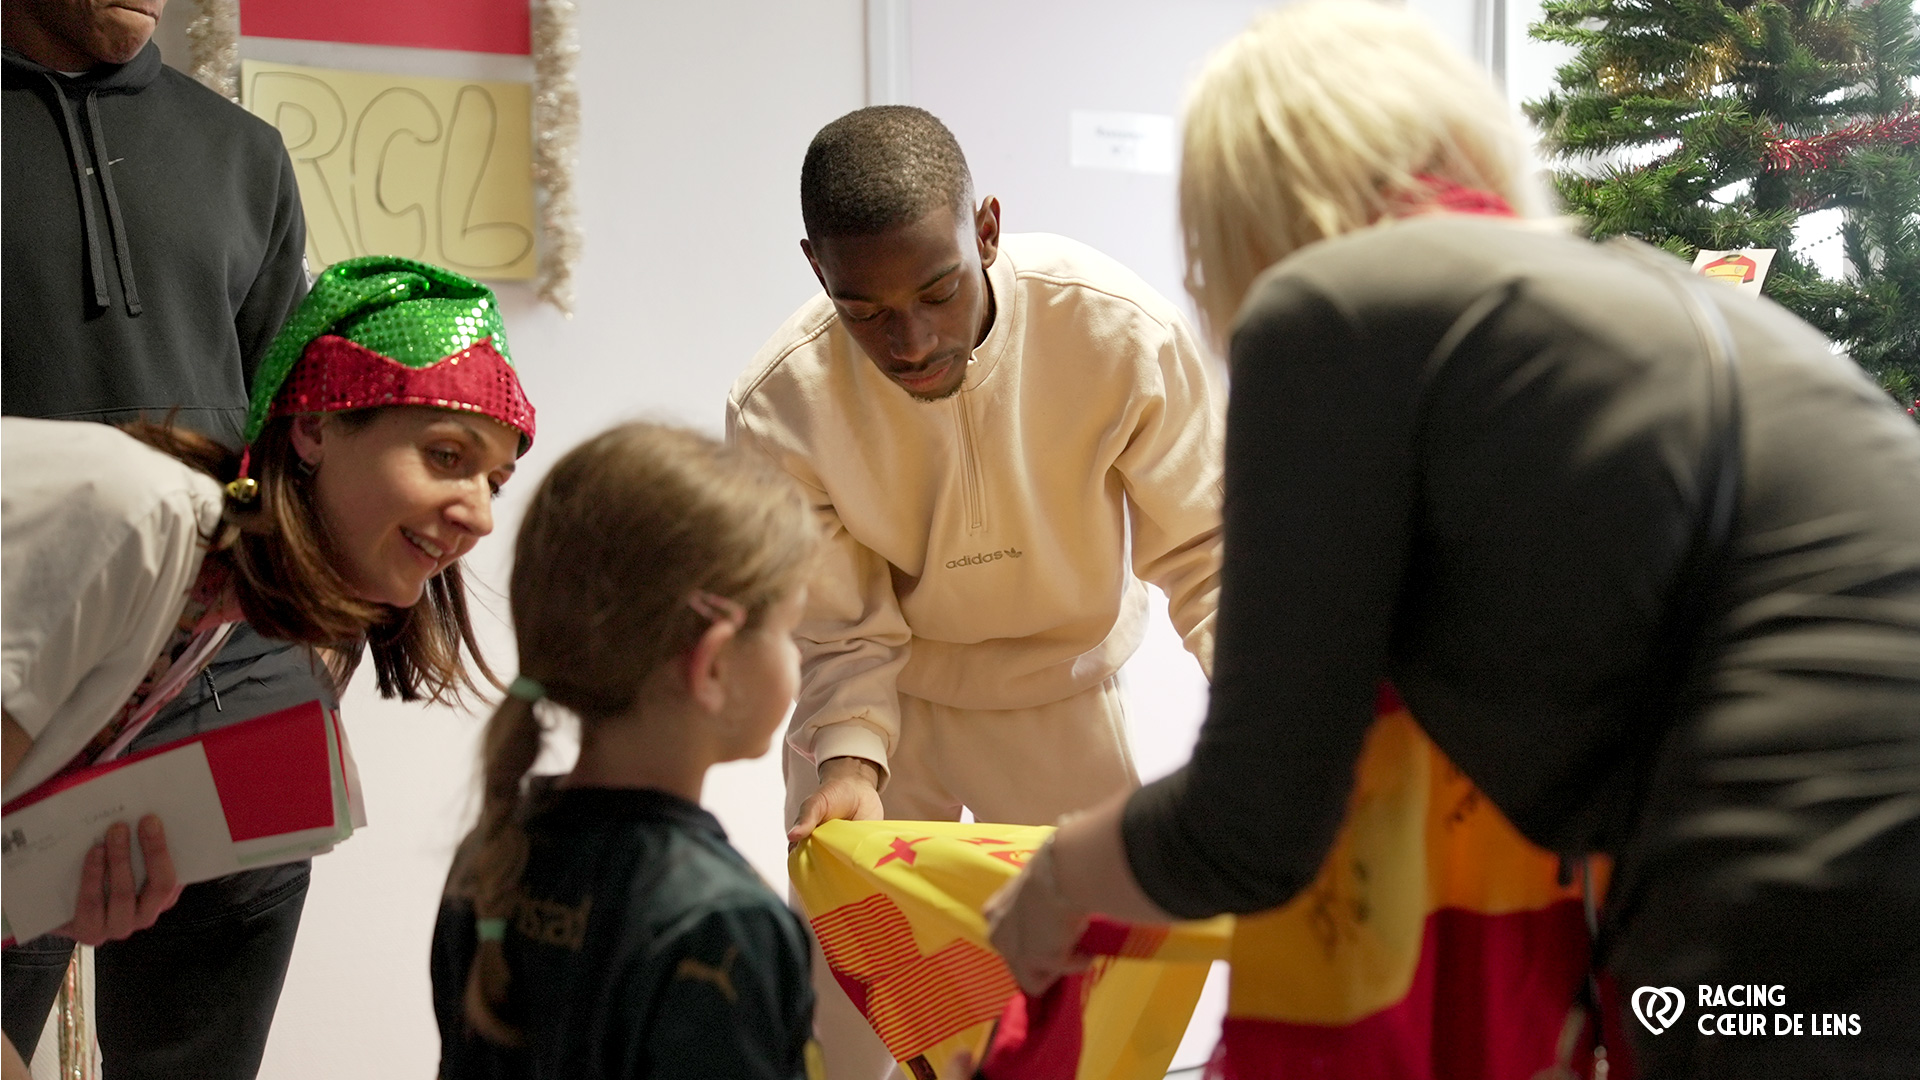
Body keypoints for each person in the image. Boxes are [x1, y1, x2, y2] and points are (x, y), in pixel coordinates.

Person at [984, 3, 1920, 1078]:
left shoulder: (1331, 307)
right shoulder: (1648, 300)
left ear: (1244, 213)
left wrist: (1060, 881)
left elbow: (1254, 825)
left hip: (1788, 907)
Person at [726, 105, 1225, 1076]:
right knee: (853, 1029)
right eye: (863, 310)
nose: (909, 340)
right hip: (879, 718)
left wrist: (1276, 733)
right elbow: (839, 631)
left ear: (987, 229)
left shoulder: (1116, 330)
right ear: (815, 268)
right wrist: (852, 767)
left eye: (939, 291)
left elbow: (1207, 555)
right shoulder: (781, 401)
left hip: (1059, 697)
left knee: (1091, 1008)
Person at [3, 256, 537, 1072]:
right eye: (446, 456)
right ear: (315, 427)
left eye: (495, 480)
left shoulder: (207, 610)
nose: (481, 514)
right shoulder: (141, 526)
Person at [2, 0, 318, 1072]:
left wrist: (309, 652)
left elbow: (294, 434)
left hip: (231, 699)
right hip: (17, 706)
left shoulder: (245, 154)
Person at [430, 422, 822, 1080]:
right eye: (790, 630)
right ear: (715, 665)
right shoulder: (725, 925)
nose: (799, 657)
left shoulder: (493, 852)